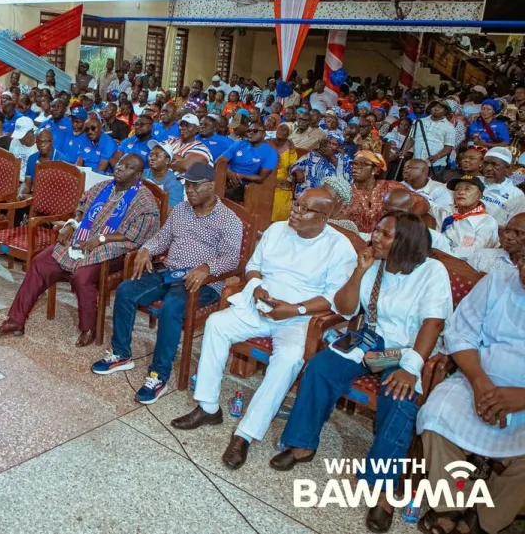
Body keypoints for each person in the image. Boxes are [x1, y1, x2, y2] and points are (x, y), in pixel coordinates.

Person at [271, 211, 451, 532]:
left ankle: (381, 489)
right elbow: (345, 308)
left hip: (408, 348)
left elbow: (433, 323)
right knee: (321, 367)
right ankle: (302, 443)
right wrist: (358, 272)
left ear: (405, 241)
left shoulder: (431, 272)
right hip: (370, 337)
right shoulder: (374, 266)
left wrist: (411, 368)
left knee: (399, 397)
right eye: (376, 231)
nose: (374, 238)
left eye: (385, 234)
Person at [170, 188, 357, 469]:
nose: (295, 211)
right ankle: (208, 407)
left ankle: (245, 434)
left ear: (324, 218)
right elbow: (253, 267)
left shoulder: (340, 248)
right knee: (217, 323)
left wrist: (294, 309)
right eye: (296, 204)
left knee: (289, 358)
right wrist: (257, 287)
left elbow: (334, 299)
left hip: (298, 318)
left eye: (305, 209)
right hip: (259, 306)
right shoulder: (277, 229)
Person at [94, 162, 243, 401]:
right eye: (187, 185)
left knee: (172, 307)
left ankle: (158, 376)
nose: (189, 190)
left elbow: (232, 259)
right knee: (126, 290)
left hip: (202, 284)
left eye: (195, 186)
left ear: (211, 186)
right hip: (170, 272)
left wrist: (207, 268)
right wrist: (146, 250)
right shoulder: (182, 210)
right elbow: (162, 238)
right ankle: (121, 353)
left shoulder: (229, 220)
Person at [0, 154, 159, 346]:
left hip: (115, 249)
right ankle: (15, 321)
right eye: (119, 164)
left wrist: (100, 239)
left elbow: (136, 236)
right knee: (40, 263)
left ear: (138, 175)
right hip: (84, 239)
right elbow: (81, 211)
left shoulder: (145, 200)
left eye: (128, 167)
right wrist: (71, 224)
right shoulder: (103, 187)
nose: (120, 168)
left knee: (82, 276)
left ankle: (89, 328)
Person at [415, 259, 525, 534]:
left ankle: (484, 519)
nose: (524, 270)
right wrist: (479, 382)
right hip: (478, 379)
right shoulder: (498, 281)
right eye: (524, 260)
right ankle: (451, 504)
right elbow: (461, 333)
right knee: (437, 416)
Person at [427, 174, 500, 259]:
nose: (461, 192)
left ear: (479, 196)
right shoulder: (445, 210)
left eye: (467, 189)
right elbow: (423, 202)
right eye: (457, 189)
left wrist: (442, 254)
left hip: (463, 263)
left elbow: (475, 253)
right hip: (435, 257)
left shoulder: (487, 222)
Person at [220, 122, 278, 202]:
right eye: (249, 131)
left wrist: (241, 176)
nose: (251, 133)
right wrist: (229, 172)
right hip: (225, 177)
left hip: (245, 186)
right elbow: (220, 161)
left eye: (255, 131)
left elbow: (261, 178)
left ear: (264, 134)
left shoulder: (270, 153)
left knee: (226, 193)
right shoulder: (239, 144)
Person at [290, 132, 352, 197]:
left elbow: (347, 178)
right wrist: (297, 170)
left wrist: (330, 157)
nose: (329, 146)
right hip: (306, 192)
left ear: (339, 147)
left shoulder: (344, 158)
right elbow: (295, 165)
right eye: (328, 143)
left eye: (334, 144)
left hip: (329, 196)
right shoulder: (312, 155)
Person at [480, 147, 525, 226]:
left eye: (494, 164)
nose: (488, 168)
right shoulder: (474, 181)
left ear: (507, 168)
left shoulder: (516, 195)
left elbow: (513, 225)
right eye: (486, 163)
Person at [268, 123, 298, 222]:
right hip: (266, 176)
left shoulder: (290, 145)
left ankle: (276, 223)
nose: (281, 131)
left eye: (285, 130)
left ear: (289, 133)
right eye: (280, 128)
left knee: (281, 197)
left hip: (283, 179)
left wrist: (289, 180)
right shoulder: (267, 142)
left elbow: (293, 166)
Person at [24, 128, 66, 194]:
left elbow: (62, 190)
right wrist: (20, 193)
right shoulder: (32, 158)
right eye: (39, 141)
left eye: (46, 141)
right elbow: (27, 184)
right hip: (34, 195)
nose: (42, 145)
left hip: (54, 196)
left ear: (52, 141)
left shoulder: (62, 161)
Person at [143, 140, 183, 208]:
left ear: (167, 161)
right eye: (151, 155)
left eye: (157, 156)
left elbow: (169, 211)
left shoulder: (175, 184)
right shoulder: (142, 174)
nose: (152, 158)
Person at [9, 117, 38, 182]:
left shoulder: (39, 148)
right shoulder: (14, 141)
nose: (20, 139)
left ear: (32, 131)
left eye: (23, 136)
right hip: (12, 180)